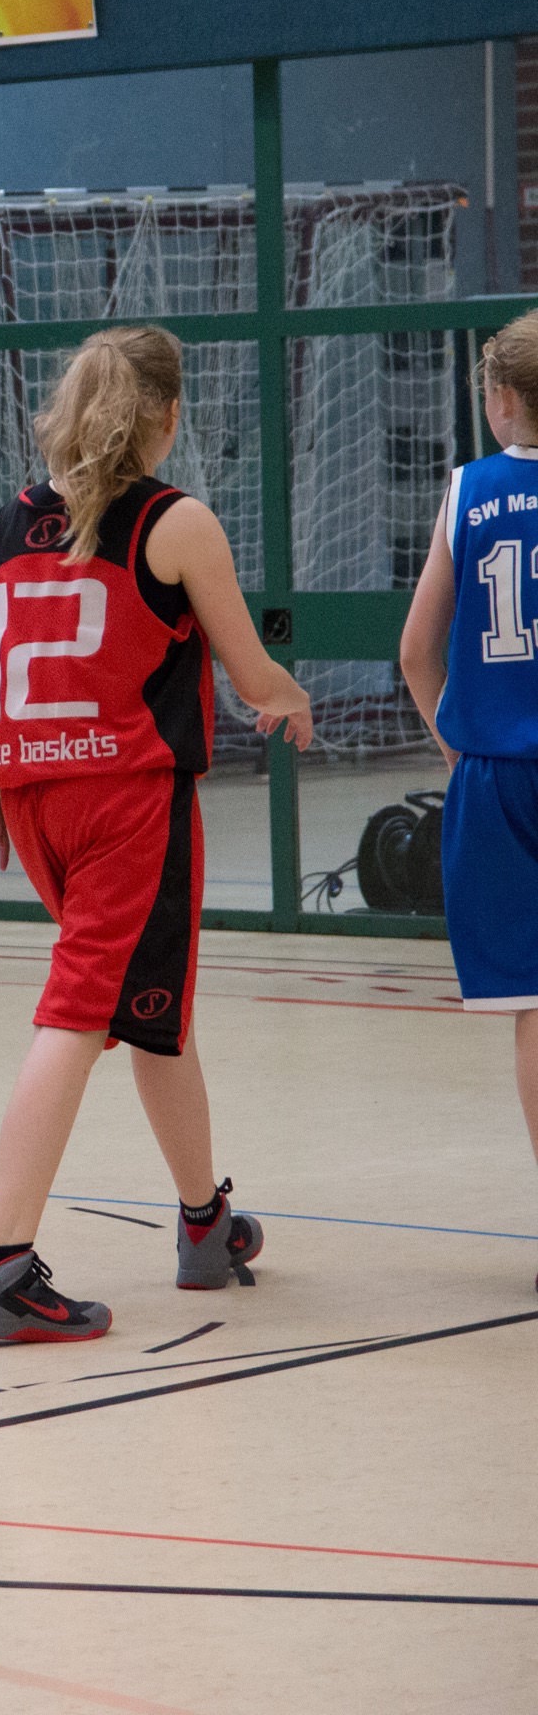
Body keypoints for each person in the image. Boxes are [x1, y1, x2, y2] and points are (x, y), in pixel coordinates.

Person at [0, 325, 310, 1343]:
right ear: (168, 417)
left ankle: (204, 1222)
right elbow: (251, 673)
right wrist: (290, 696)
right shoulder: (174, 522)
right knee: (79, 1019)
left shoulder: (12, 521)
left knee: (152, 1006)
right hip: (126, 801)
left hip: (34, 802)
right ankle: (1, 1266)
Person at [401, 310, 538, 1286]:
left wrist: (458, 744)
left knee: (536, 1006)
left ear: (499, 401)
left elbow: (416, 651)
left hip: (495, 776)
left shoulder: (469, 490)